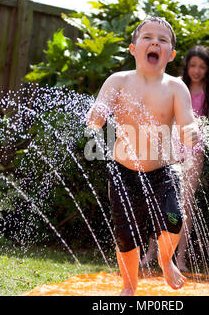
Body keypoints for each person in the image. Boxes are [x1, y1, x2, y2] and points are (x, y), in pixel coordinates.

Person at [85, 17, 200, 296]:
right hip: (123, 171)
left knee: (174, 218)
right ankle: (129, 285)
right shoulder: (119, 81)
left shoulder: (175, 87)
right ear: (133, 48)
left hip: (162, 169)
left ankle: (165, 259)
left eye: (162, 40)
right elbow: (97, 115)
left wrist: (191, 131)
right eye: (147, 37)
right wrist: (95, 118)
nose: (154, 43)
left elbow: (187, 121)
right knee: (126, 233)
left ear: (170, 55)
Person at [140, 45, 209, 272]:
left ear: (208, 68)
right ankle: (151, 254)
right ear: (186, 66)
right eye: (193, 66)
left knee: (184, 207)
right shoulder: (177, 83)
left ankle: (179, 260)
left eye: (202, 66)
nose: (197, 71)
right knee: (162, 202)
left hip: (194, 150)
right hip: (170, 146)